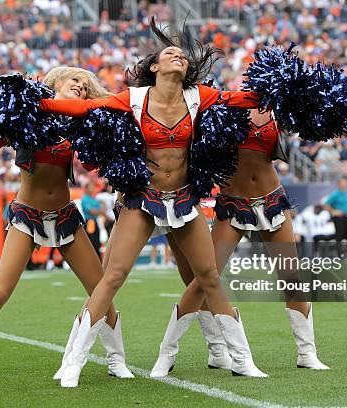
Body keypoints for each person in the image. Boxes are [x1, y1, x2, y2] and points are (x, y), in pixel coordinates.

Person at [40, 18, 267, 387]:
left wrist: (280, 92)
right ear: (155, 67)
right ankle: (75, 362)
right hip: (143, 200)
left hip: (185, 200)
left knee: (209, 276)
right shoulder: (132, 99)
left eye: (182, 55)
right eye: (169, 53)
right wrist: (37, 103)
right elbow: (83, 109)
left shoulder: (199, 97)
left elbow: (238, 99)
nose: (177, 55)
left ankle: (242, 359)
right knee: (113, 276)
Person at [0, 67, 133, 390]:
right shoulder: (29, 112)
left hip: (64, 216)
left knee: (101, 289)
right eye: (75, 80)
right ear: (55, 81)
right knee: (0, 292)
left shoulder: (77, 120)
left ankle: (117, 361)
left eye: (86, 86)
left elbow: (89, 164)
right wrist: (14, 111)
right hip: (27, 215)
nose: (81, 86)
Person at [155, 109, 329, 376]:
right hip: (232, 205)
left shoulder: (277, 110)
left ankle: (307, 353)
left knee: (291, 277)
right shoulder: (225, 110)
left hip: (272, 201)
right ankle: (167, 354)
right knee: (205, 277)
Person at [323, 178, 347, 256]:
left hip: (346, 217)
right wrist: (333, 211)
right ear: (339, 185)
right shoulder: (335, 194)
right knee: (339, 235)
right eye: (343, 183)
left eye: (345, 183)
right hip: (338, 218)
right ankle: (339, 254)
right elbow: (326, 205)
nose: (345, 185)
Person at [81, 182, 106, 258]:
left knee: (97, 244)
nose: (93, 188)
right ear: (86, 188)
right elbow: (91, 211)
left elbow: (102, 209)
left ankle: (99, 262)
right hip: (89, 222)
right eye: (91, 187)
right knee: (92, 243)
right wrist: (100, 211)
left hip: (94, 222)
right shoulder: (85, 199)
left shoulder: (94, 199)